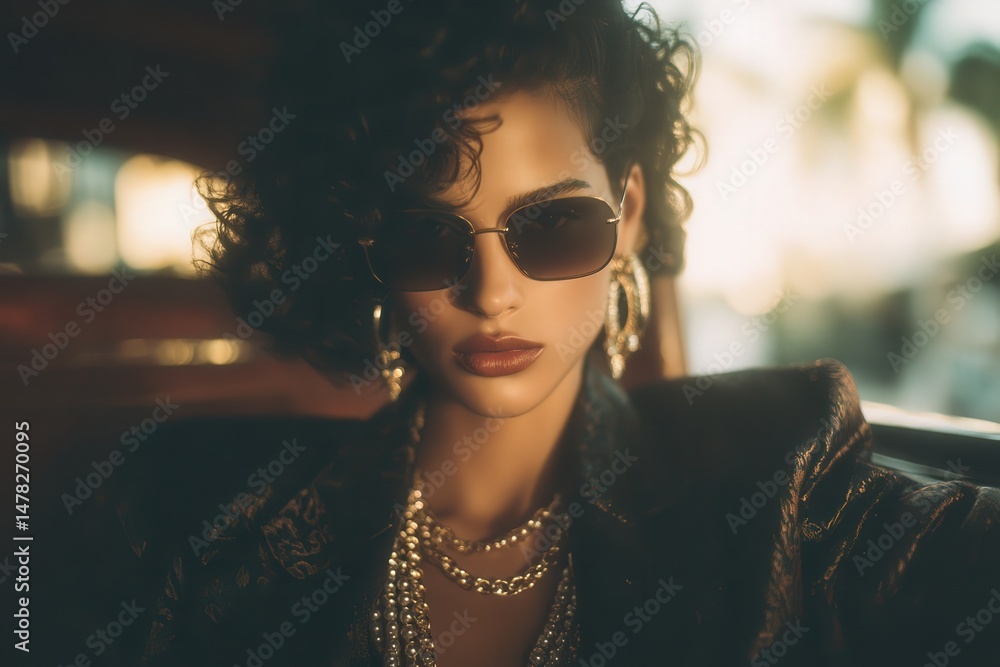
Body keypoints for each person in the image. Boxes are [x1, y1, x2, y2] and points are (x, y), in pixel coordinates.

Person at [101, 1, 998, 665]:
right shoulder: (213, 523)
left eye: (555, 227)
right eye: (427, 237)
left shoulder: (780, 479)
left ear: (631, 213)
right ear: (365, 248)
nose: (493, 289)